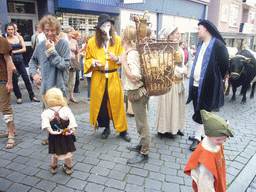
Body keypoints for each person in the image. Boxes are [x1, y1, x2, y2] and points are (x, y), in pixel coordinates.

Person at [84, 14, 131, 142]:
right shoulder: (92, 42)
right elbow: (87, 59)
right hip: (98, 77)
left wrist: (117, 58)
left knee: (117, 103)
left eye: (109, 25)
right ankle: (106, 128)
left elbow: (124, 57)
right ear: (99, 28)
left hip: (113, 76)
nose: (107, 28)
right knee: (102, 104)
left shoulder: (117, 40)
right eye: (104, 25)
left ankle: (122, 130)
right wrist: (94, 62)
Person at [186, 20, 229, 151]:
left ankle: (198, 138)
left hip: (208, 86)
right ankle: (203, 134)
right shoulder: (201, 44)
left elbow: (224, 66)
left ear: (206, 29)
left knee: (203, 112)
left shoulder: (218, 45)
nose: (197, 31)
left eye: (199, 28)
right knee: (197, 109)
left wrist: (215, 79)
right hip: (195, 84)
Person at [29, 14, 71, 145]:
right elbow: (32, 62)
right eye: (47, 30)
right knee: (48, 114)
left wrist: (52, 50)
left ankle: (63, 137)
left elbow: (64, 65)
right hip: (46, 87)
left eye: (52, 30)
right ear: (42, 29)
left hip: (60, 87)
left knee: (61, 114)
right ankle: (51, 137)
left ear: (57, 30)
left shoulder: (64, 44)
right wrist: (34, 74)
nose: (49, 33)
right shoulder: (40, 45)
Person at [121, 25, 151, 164]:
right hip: (136, 93)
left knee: (142, 123)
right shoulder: (130, 52)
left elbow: (135, 77)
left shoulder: (131, 53)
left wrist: (123, 62)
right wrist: (119, 58)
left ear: (126, 38)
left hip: (138, 93)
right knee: (140, 122)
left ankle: (144, 152)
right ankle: (141, 145)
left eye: (122, 34)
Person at [184, 110, 234, 192]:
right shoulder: (206, 156)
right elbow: (205, 183)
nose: (222, 142)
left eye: (225, 138)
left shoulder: (216, 143)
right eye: (218, 139)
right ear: (208, 136)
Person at [155, 25, 188, 139]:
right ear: (170, 35)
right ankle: (164, 129)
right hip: (169, 83)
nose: (179, 35)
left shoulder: (179, 48)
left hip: (178, 82)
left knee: (177, 106)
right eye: (177, 33)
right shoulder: (165, 48)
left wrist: (184, 69)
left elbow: (181, 63)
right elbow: (166, 66)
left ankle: (176, 127)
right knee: (167, 106)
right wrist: (181, 71)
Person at [42, 87, 77, 174]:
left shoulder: (46, 112)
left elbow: (45, 124)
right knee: (67, 154)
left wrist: (52, 131)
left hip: (55, 138)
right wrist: (71, 129)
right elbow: (72, 121)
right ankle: (69, 168)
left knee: (55, 153)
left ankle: (53, 167)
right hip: (66, 137)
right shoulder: (66, 109)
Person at [5, 23, 39, 104]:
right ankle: (18, 97)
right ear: (6, 30)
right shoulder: (6, 39)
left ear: (14, 30)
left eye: (12, 29)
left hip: (20, 61)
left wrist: (13, 51)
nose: (10, 31)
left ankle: (32, 95)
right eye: (9, 29)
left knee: (26, 78)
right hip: (11, 62)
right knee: (15, 80)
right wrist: (11, 53)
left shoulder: (19, 37)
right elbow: (7, 52)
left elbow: (24, 49)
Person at [0, 29, 17, 149]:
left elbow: (8, 61)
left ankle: (11, 134)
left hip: (2, 79)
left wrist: (9, 82)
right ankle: (13, 129)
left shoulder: (2, 41)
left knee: (5, 107)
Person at [63, 26, 79, 103]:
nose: (73, 33)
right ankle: (64, 97)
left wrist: (78, 61)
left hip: (73, 61)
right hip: (65, 61)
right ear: (67, 33)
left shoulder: (74, 41)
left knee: (72, 79)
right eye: (71, 32)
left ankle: (71, 97)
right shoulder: (63, 40)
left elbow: (77, 52)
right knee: (64, 79)